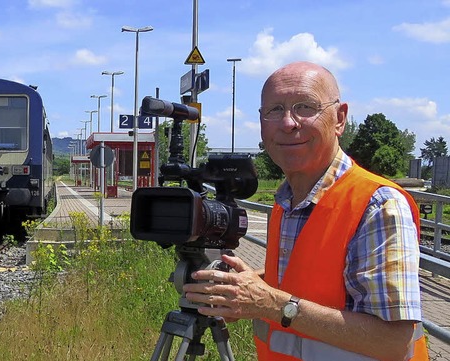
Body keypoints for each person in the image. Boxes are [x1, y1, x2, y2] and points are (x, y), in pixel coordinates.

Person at [182, 61, 428, 360]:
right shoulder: (286, 202)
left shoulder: (378, 206)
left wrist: (270, 303)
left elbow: (393, 341)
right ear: (261, 123)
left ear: (340, 118)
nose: (288, 122)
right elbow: (311, 282)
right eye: (274, 110)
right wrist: (242, 292)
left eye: (305, 107)